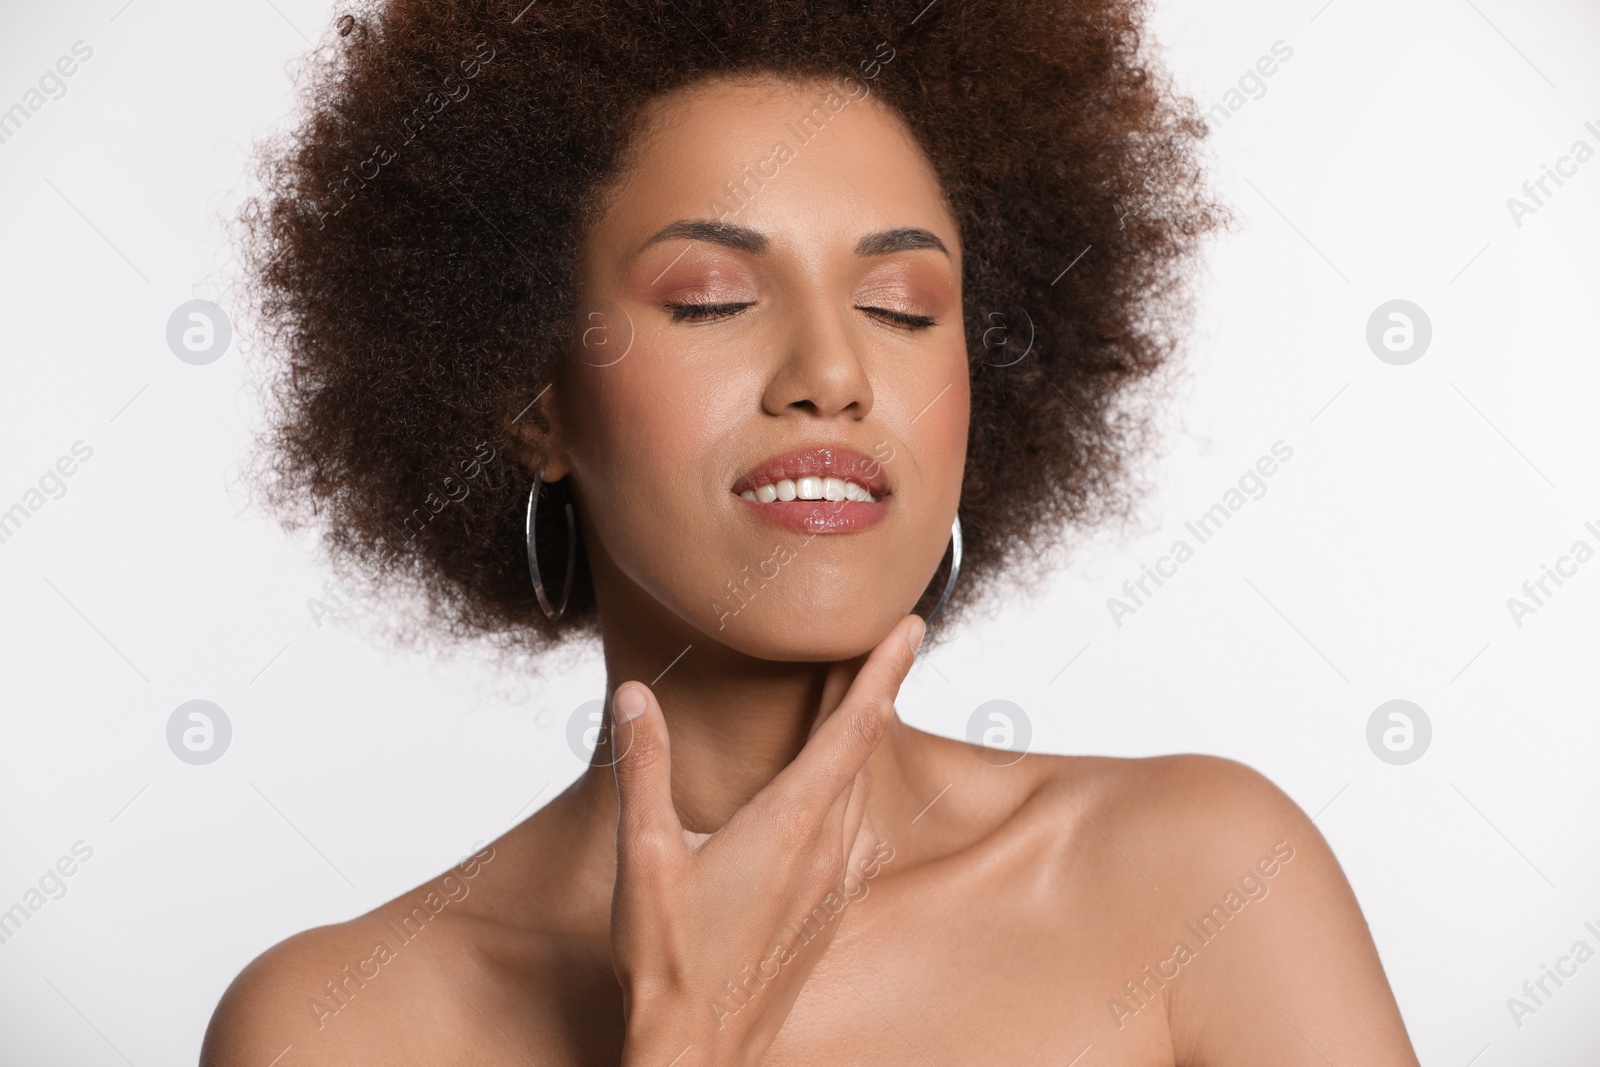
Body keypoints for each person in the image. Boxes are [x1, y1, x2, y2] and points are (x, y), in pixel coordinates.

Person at [203, 1, 1421, 1063]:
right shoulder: (333, 1024)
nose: (831, 374)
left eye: (901, 308)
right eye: (712, 299)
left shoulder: (1201, 884)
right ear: (535, 405)